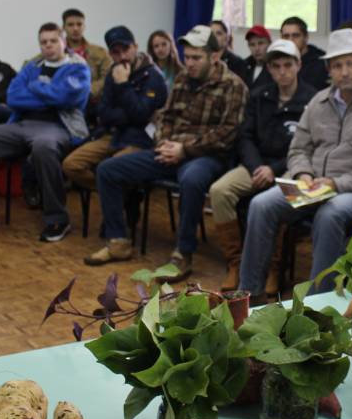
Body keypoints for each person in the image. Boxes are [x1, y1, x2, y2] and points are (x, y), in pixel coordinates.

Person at [237, 28, 352, 300]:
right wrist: (303, 173)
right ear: (329, 69)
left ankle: (319, 302)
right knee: (261, 204)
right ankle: (249, 294)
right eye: (337, 65)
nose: (344, 72)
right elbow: (299, 148)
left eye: (351, 63)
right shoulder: (319, 101)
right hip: (313, 184)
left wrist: (336, 183)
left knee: (331, 213)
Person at [86, 25, 247, 281]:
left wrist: (185, 149)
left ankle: (183, 253)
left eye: (197, 58)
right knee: (108, 170)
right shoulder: (182, 79)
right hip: (170, 151)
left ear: (215, 56)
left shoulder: (233, 85)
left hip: (208, 155)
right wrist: (163, 143)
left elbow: (227, 134)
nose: (189, 63)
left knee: (191, 179)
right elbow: (165, 117)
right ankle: (118, 241)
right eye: (187, 57)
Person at [0, 23, 90, 242]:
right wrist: (49, 95)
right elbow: (13, 97)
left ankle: (57, 218)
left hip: (59, 126)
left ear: (63, 41)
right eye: (43, 42)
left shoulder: (78, 67)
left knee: (43, 147)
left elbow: (66, 99)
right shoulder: (32, 67)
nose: (48, 46)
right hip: (22, 124)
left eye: (53, 41)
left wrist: (36, 87)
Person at [208, 39, 315, 292]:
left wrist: (272, 170)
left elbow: (307, 148)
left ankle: (274, 268)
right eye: (276, 66)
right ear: (269, 68)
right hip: (257, 164)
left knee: (280, 197)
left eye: (287, 65)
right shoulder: (259, 96)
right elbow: (244, 137)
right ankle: (235, 263)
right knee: (219, 191)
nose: (282, 71)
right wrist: (257, 166)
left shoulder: (312, 100)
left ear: (298, 65)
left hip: (291, 166)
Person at [62, 26, 167, 191]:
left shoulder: (153, 76)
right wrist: (127, 116)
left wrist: (123, 84)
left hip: (140, 138)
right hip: (113, 134)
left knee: (110, 167)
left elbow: (140, 114)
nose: (122, 56)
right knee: (71, 165)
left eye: (126, 49)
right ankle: (112, 191)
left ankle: (117, 193)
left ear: (135, 46)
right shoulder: (113, 71)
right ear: (110, 54)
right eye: (116, 52)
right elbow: (103, 112)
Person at [62, 8, 112, 100]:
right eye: (70, 25)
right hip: (63, 100)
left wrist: (87, 91)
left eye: (79, 24)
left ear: (84, 26)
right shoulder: (55, 53)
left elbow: (107, 77)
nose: (75, 28)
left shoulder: (100, 52)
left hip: (93, 101)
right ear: (63, 27)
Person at [280, 16, 328, 90]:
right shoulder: (275, 60)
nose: (290, 40)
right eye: (286, 36)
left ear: (306, 37)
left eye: (295, 36)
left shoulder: (321, 62)